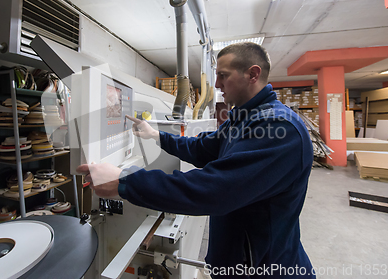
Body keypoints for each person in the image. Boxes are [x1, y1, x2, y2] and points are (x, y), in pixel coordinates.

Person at [77, 42, 315, 278]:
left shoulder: (279, 127)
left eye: (223, 75)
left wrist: (125, 181)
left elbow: (214, 190)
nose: (218, 84)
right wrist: (157, 136)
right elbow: (202, 148)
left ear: (253, 74)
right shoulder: (242, 118)